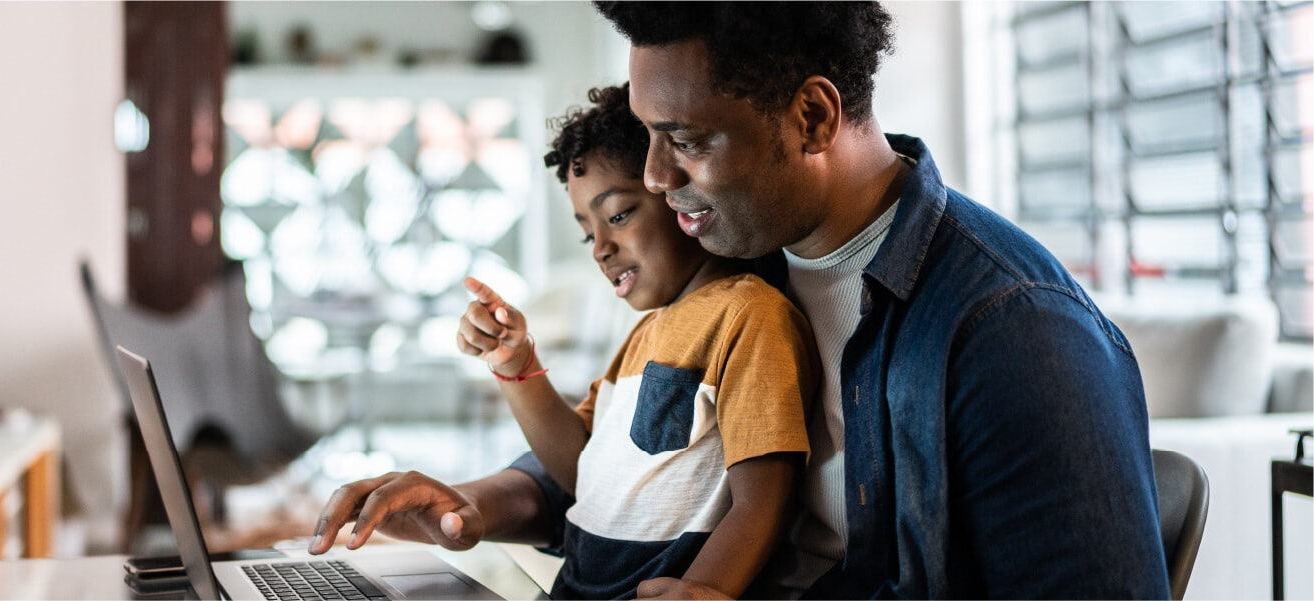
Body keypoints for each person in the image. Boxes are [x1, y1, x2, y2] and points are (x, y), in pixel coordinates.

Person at [310, 3, 1170, 599]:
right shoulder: (739, 262)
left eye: (684, 140)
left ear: (810, 117)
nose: (652, 177)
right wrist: (462, 508)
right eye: (648, 136)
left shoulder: (1014, 334)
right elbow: (623, 457)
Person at [453, 83, 818, 599]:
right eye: (587, 232)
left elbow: (764, 499)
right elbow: (581, 473)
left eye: (619, 215)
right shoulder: (644, 333)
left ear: (679, 196)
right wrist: (516, 366)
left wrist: (705, 588)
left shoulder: (749, 315)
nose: (601, 249)